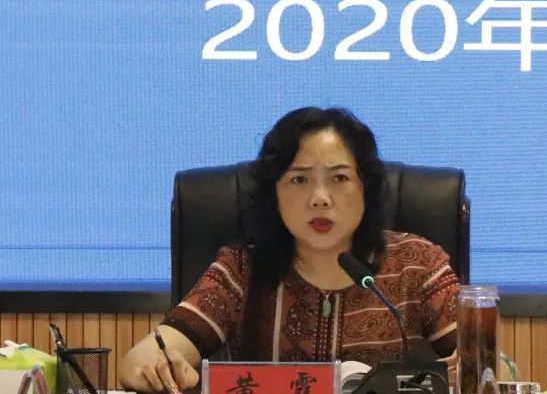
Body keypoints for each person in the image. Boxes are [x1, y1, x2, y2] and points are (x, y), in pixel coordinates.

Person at [119, 107, 460, 392]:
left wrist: (469, 368)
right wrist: (160, 367)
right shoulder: (241, 270)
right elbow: (139, 361)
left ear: (365, 188)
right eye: (299, 179)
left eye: (339, 178)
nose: (320, 198)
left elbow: (482, 358)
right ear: (275, 193)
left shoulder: (416, 264)